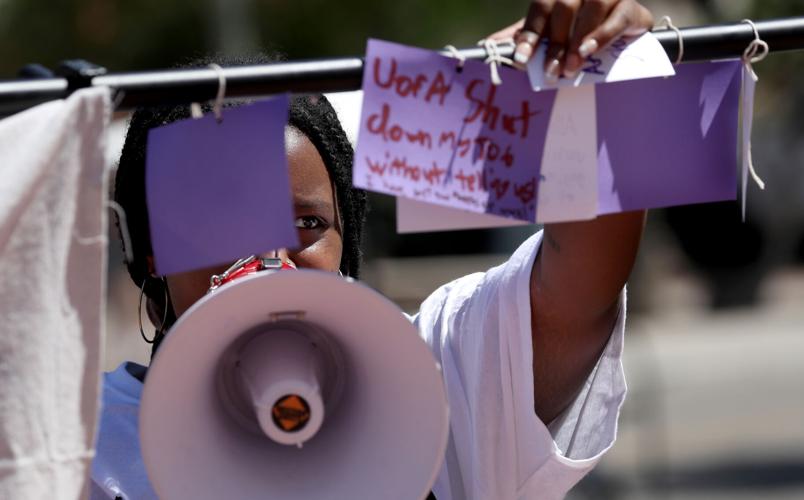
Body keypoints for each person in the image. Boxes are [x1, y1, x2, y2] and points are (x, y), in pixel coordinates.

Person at [91, 2, 654, 498]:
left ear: (347, 238)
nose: (264, 260)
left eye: (306, 222)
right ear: (152, 256)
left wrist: (590, 57)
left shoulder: (438, 375)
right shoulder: (82, 447)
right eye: (221, 223)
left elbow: (584, 277)